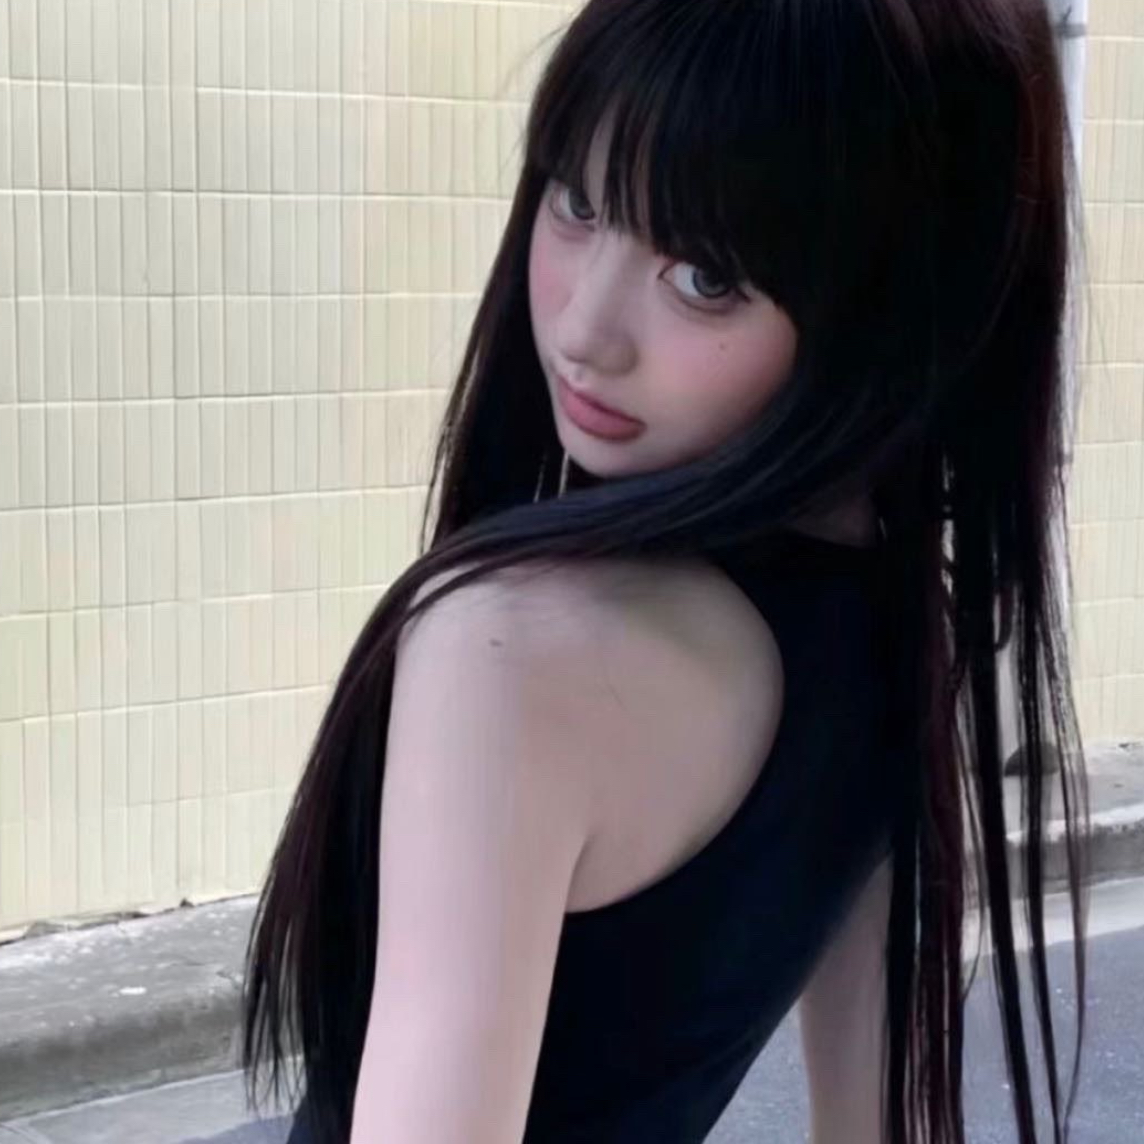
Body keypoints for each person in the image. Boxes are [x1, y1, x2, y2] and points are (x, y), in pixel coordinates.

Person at [242, 1, 1091, 1141]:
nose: (586, 330)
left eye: (704, 276)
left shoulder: (515, 653)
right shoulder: (900, 626)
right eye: (577, 202)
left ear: (890, 305)